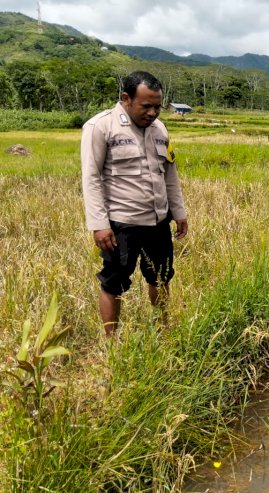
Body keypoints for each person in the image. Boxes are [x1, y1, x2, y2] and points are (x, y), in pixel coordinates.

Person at [81, 70, 188, 337]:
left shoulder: (160, 129)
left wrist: (179, 212)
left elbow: (170, 174)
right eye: (146, 106)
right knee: (113, 282)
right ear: (126, 99)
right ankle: (110, 343)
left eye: (157, 106)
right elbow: (91, 177)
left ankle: (163, 332)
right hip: (121, 224)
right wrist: (99, 225)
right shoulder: (100, 127)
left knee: (161, 276)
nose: (153, 113)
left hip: (158, 221)